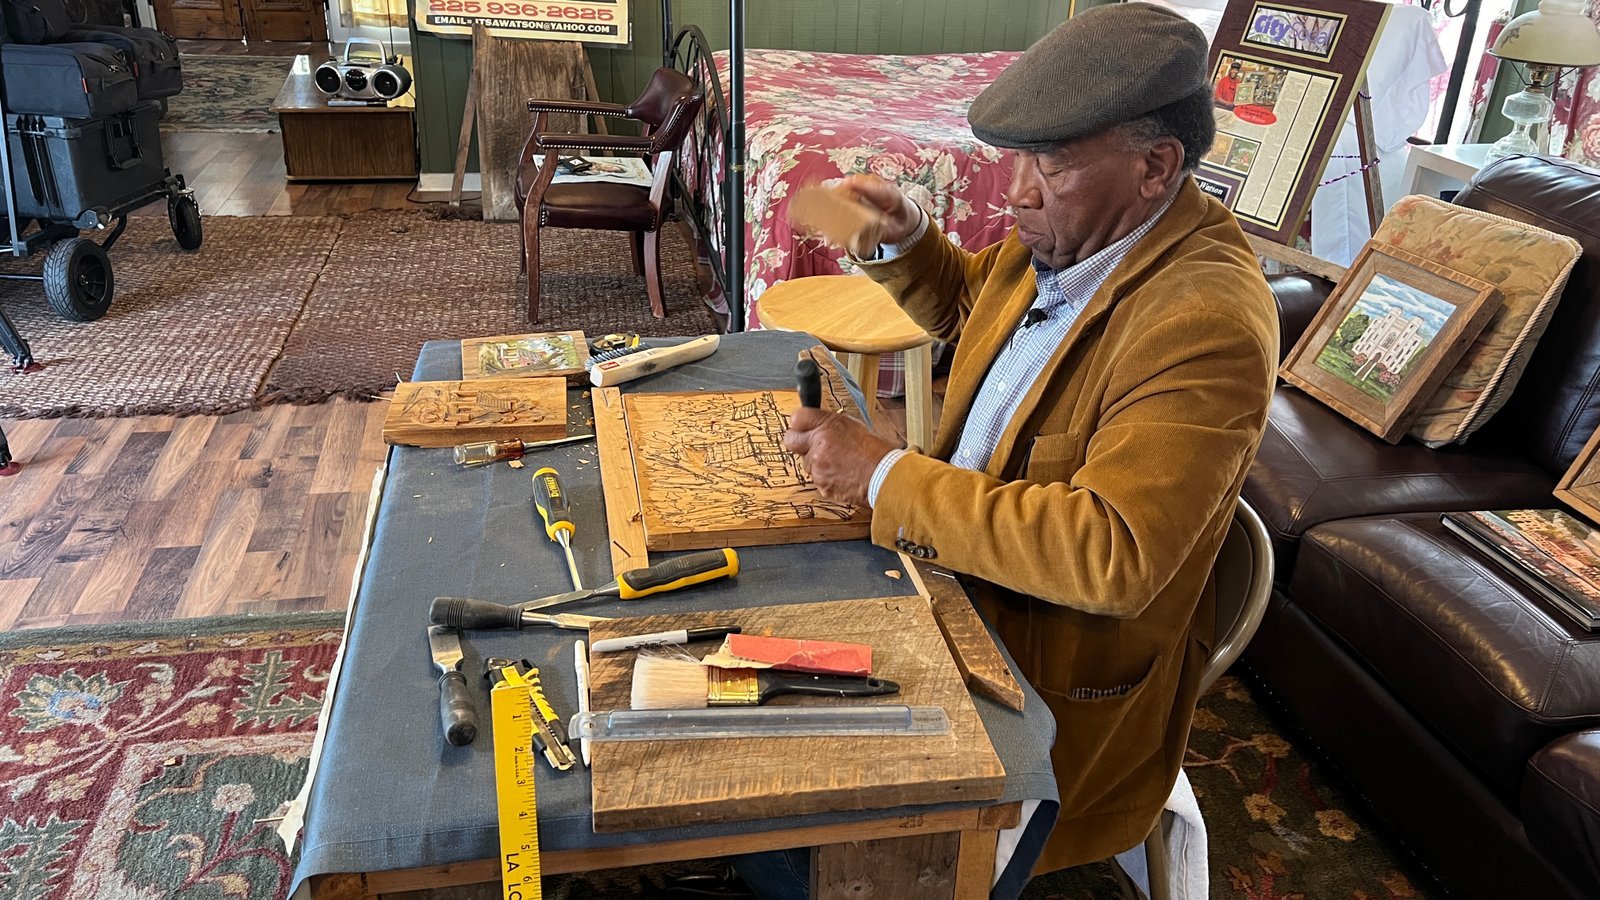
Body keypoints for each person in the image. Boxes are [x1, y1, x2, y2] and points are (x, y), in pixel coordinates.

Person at [773, 2, 1280, 890]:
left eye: (1047, 163)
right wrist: (908, 243)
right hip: (960, 583)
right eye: (1016, 158)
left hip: (1045, 689)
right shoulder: (1068, 239)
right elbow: (990, 327)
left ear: (1156, 165)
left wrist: (885, 473)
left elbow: (1113, 553)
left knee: (791, 823)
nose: (1015, 190)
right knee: (750, 643)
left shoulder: (1207, 322)